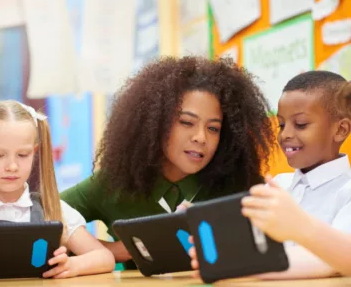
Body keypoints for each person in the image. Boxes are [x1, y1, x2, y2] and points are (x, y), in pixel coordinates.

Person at [60, 56, 276, 269]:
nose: (201, 137)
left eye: (213, 128)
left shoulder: (240, 186)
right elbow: (44, 215)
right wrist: (115, 250)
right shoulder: (114, 183)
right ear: (154, 123)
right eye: (186, 122)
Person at [190, 71, 351, 279]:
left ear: (341, 130)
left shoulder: (347, 191)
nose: (285, 135)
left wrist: (242, 265)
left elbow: (333, 259)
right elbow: (247, 243)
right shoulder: (277, 185)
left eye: (301, 124)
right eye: (281, 125)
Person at [0, 100, 115, 279]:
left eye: (23, 155)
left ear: (34, 152)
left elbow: (105, 257)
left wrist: (72, 265)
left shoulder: (53, 210)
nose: (12, 166)